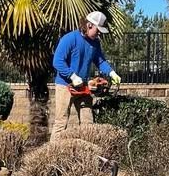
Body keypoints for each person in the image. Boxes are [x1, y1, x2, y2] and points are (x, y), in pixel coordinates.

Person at [51, 11, 119, 139]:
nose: (99, 33)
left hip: (83, 87)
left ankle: (88, 153)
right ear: (89, 25)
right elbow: (57, 61)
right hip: (65, 86)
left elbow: (100, 61)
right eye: (98, 30)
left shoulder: (95, 43)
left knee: (88, 123)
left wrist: (111, 72)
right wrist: (72, 76)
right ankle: (52, 156)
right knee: (61, 123)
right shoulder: (70, 39)